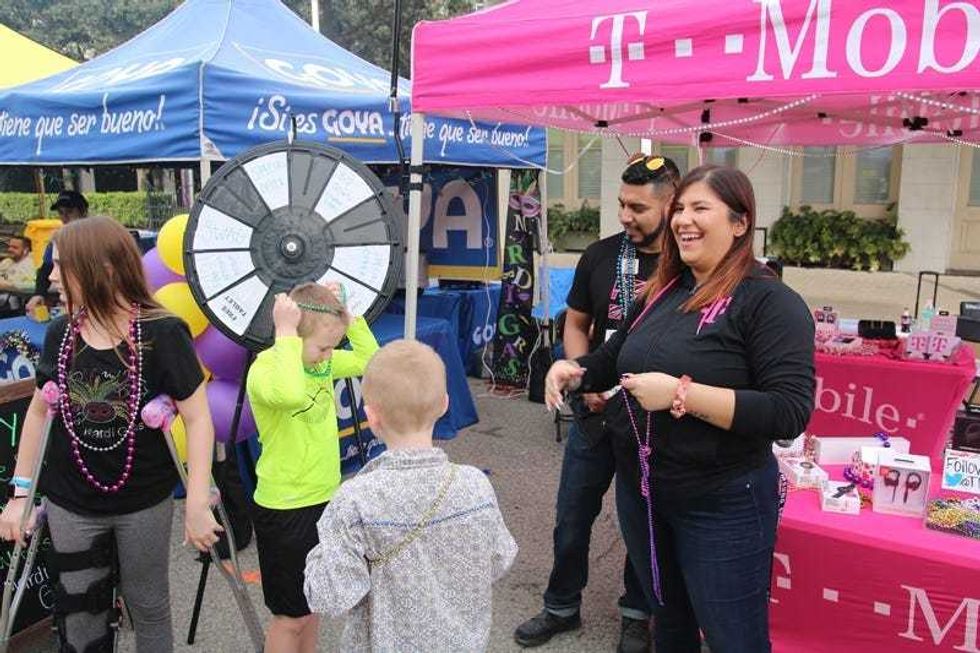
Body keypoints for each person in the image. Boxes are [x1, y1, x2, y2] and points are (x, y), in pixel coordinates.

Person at [544, 165, 815, 653]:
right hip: (644, 494)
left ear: (739, 222)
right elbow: (615, 358)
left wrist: (680, 396)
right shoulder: (665, 289)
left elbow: (788, 411)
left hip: (722, 502)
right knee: (668, 627)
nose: (683, 220)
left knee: (734, 638)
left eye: (700, 208)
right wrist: (576, 369)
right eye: (681, 208)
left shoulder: (770, 301)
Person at [0, 216, 221, 653]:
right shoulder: (62, 333)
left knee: (149, 606)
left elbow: (198, 418)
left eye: (62, 265)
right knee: (79, 610)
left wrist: (197, 500)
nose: (51, 276)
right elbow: (40, 412)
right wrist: (21, 493)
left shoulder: (162, 332)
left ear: (101, 268)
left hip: (142, 499)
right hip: (70, 502)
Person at [515, 154, 680, 651]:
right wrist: (581, 373)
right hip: (593, 411)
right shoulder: (602, 254)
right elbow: (576, 321)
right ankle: (560, 606)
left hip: (649, 420)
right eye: (621, 205)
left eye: (638, 208)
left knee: (640, 521)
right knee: (572, 516)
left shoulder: (685, 263)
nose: (625, 216)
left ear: (671, 205)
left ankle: (636, 612)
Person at [304, 340, 517, 652]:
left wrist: (317, 556)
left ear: (370, 416)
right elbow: (500, 558)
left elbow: (331, 594)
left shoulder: (355, 500)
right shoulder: (475, 485)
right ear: (444, 404)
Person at [246, 283, 379, 653]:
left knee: (313, 604)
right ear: (292, 333)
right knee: (291, 616)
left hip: (323, 498)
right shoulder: (268, 368)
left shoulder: (319, 362)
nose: (327, 357)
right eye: (322, 348)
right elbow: (288, 394)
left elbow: (371, 362)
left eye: (331, 349)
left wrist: (350, 321)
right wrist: (286, 334)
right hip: (285, 507)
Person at [26, 189, 89, 317]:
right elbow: (46, 269)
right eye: (61, 213)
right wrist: (39, 293)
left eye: (70, 212)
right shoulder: (57, 240)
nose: (65, 217)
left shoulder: (97, 239)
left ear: (83, 212)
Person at [0, 235, 36, 315]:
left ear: (25, 250)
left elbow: (34, 286)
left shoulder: (30, 264)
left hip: (19, 307)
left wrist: (7, 285)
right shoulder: (7, 262)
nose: (9, 249)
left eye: (14, 247)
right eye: (9, 247)